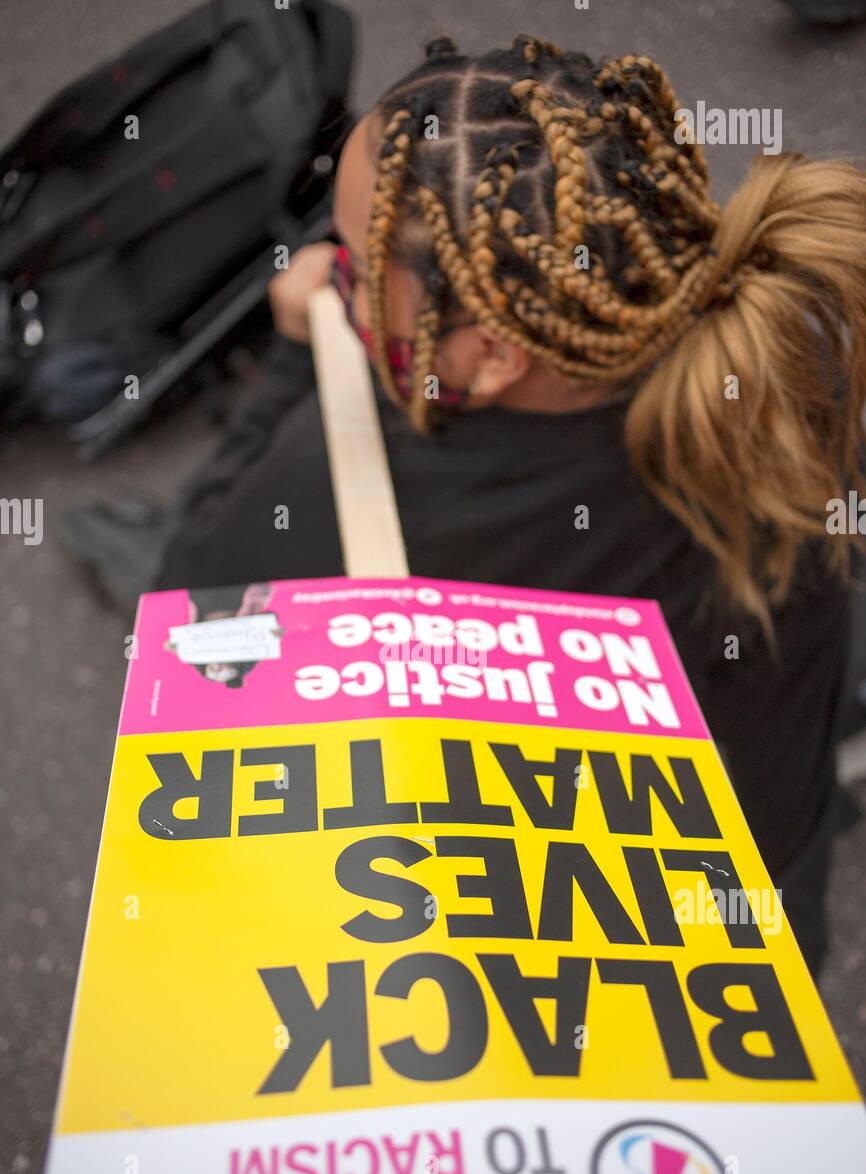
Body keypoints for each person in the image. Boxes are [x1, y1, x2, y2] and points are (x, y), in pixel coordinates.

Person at [68, 36, 866, 974]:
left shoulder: (336, 476)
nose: (332, 274)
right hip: (738, 924)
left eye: (358, 272)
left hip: (507, 939)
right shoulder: (784, 382)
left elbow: (185, 615)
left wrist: (295, 362)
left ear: (487, 357)